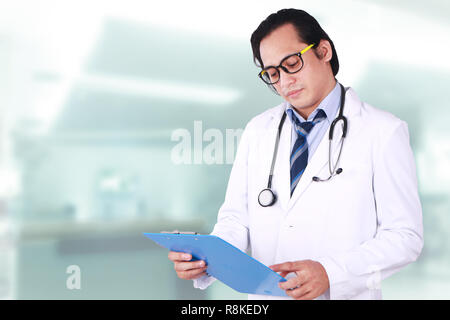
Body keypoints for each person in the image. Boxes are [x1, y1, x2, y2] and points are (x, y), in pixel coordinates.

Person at [168, 8, 423, 300]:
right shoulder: (258, 130)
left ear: (323, 51)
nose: (284, 81)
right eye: (272, 73)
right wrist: (206, 261)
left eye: (292, 63)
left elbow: (405, 237)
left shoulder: (383, 131)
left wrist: (331, 273)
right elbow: (236, 221)